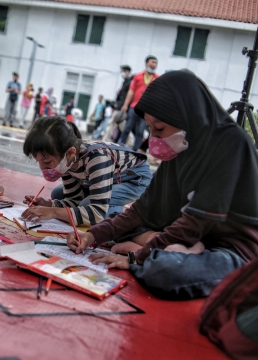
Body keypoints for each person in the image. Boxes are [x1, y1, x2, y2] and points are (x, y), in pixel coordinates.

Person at [67, 70, 258, 300]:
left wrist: (137, 258)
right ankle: (161, 247)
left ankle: (155, 249)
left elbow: (197, 222)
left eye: (159, 128)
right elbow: (142, 209)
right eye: (149, 129)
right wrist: (94, 236)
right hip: (192, 238)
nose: (153, 139)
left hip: (230, 249)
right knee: (118, 217)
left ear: (188, 118)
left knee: (165, 271)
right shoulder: (182, 148)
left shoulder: (231, 144)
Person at [21, 116, 152, 226]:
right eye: (38, 161)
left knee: (88, 205)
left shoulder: (97, 158)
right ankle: (105, 200)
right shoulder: (66, 159)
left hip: (134, 179)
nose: (42, 168)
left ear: (71, 153)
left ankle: (119, 215)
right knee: (57, 193)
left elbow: (96, 213)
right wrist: (49, 205)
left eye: (47, 162)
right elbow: (73, 200)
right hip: (108, 177)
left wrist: (53, 212)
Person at [118, 55, 159, 150]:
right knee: (127, 127)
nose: (154, 64)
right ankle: (120, 146)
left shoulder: (157, 78)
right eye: (152, 62)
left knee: (140, 131)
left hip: (146, 110)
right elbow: (131, 91)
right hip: (134, 107)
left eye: (156, 63)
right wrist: (125, 104)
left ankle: (135, 150)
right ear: (146, 63)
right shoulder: (138, 76)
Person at [103, 65, 134, 143]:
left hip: (121, 107)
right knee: (122, 126)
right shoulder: (125, 82)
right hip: (120, 106)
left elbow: (128, 96)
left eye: (123, 71)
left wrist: (122, 105)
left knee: (112, 123)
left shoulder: (130, 83)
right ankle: (131, 142)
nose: (122, 73)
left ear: (127, 71)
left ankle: (104, 140)